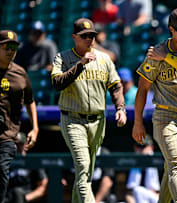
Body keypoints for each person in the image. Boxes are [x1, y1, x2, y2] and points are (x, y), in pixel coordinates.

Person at [132, 8, 177, 203]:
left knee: (172, 169)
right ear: (172, 30)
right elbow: (142, 89)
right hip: (166, 117)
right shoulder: (154, 56)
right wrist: (137, 122)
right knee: (176, 164)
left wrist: (166, 57)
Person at [50, 18, 127, 203]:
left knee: (86, 173)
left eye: (92, 35)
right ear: (74, 37)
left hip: (98, 121)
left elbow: (116, 86)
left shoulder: (104, 59)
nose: (89, 39)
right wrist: (80, 65)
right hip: (73, 119)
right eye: (84, 36)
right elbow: (57, 83)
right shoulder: (63, 57)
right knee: (83, 166)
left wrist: (121, 108)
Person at [0, 30, 39, 202]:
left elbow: (30, 100)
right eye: (7, 47)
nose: (11, 51)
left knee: (1, 173)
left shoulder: (20, 74)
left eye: (14, 47)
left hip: (7, 136)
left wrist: (35, 128)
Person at [5, 132, 48, 203]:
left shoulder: (32, 161)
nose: (17, 147)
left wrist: (26, 198)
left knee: (17, 192)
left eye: (20, 144)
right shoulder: (6, 162)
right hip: (8, 197)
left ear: (26, 145)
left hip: (27, 195)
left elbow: (43, 186)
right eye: (15, 144)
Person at [126, 134, 160, 203]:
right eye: (138, 146)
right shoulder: (130, 162)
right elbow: (129, 193)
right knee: (137, 191)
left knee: (138, 190)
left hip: (156, 198)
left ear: (151, 147)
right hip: (135, 199)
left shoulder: (159, 162)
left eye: (143, 146)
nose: (141, 150)